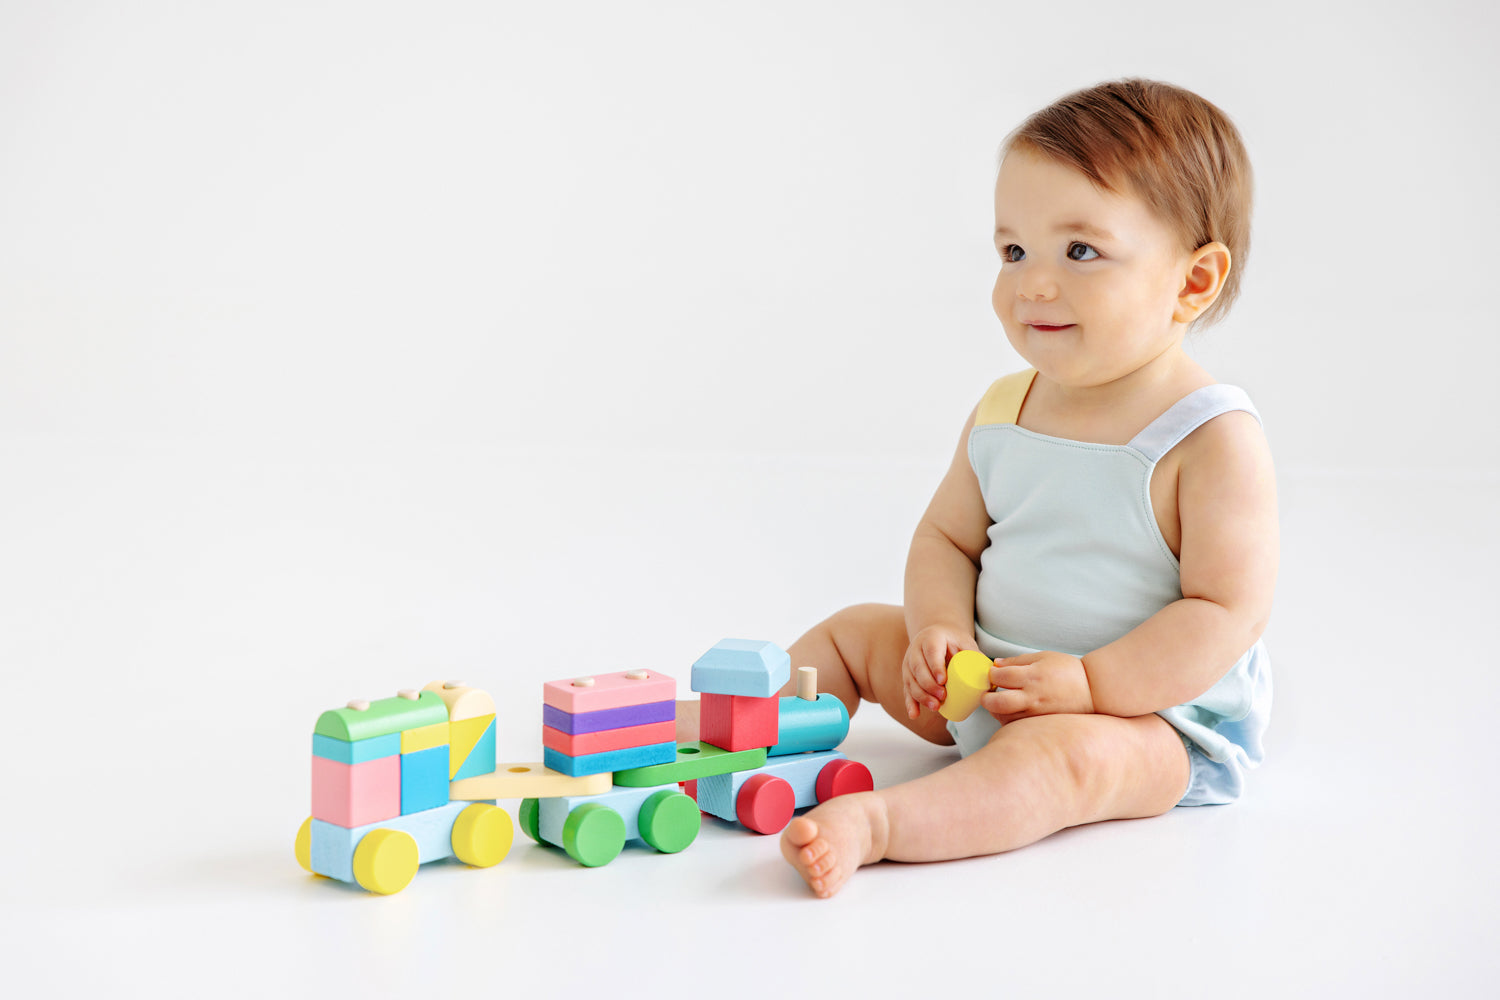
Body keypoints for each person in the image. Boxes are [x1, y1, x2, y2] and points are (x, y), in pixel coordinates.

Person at [756, 78, 1275, 898]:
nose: (1033, 283)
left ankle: (885, 825)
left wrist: (1092, 685)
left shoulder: (1207, 437)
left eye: (1079, 252)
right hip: (983, 680)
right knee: (856, 633)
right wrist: (937, 631)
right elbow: (947, 540)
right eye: (1012, 251)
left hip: (1142, 721)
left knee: (1062, 761)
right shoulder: (1005, 409)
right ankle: (734, 739)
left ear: (1192, 282)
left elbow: (1223, 613)